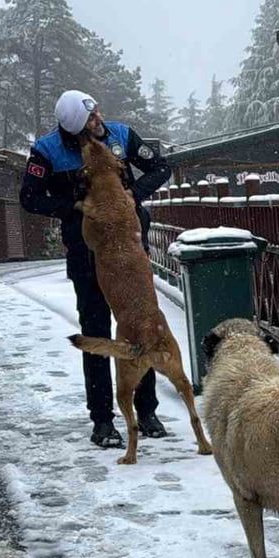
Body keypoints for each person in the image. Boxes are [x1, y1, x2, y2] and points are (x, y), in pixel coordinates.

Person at [20, 90, 174, 449]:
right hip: (87, 254)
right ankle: (103, 419)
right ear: (74, 127)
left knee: (140, 325)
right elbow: (30, 198)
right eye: (90, 119)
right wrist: (74, 205)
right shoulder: (46, 151)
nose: (98, 121)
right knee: (97, 330)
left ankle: (147, 411)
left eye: (97, 114)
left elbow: (161, 167)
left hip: (130, 250)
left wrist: (133, 194)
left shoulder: (121, 135)